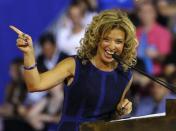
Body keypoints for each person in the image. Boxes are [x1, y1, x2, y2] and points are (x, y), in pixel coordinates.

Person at [10, 9, 138, 131]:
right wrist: (28, 54)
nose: (112, 46)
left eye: (118, 41)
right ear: (97, 38)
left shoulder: (125, 75)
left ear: (125, 45)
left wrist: (121, 111)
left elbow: (111, 118)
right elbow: (35, 85)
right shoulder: (74, 65)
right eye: (106, 39)